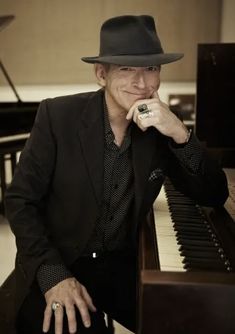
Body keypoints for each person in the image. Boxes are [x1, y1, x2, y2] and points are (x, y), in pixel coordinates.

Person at [4, 15, 228, 334]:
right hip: (62, 259)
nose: (142, 83)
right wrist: (54, 275)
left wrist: (180, 131)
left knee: (190, 318)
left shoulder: (159, 128)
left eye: (151, 68)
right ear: (101, 74)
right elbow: (20, 201)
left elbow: (214, 193)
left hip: (121, 265)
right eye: (127, 69)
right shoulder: (57, 116)